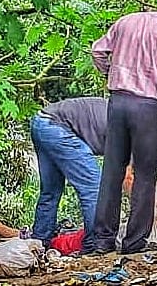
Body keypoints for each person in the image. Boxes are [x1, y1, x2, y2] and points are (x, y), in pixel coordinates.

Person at [90, 0, 157, 254]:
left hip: (119, 101)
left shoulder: (127, 21)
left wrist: (110, 74)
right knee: (145, 176)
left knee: (113, 171)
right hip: (149, 107)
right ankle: (134, 243)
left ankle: (102, 241)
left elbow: (97, 50)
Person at [30, 97, 108, 252]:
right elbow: (128, 177)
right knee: (94, 188)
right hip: (57, 127)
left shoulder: (126, 115)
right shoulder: (132, 133)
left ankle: (39, 241)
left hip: (41, 121)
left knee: (50, 191)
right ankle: (94, 244)